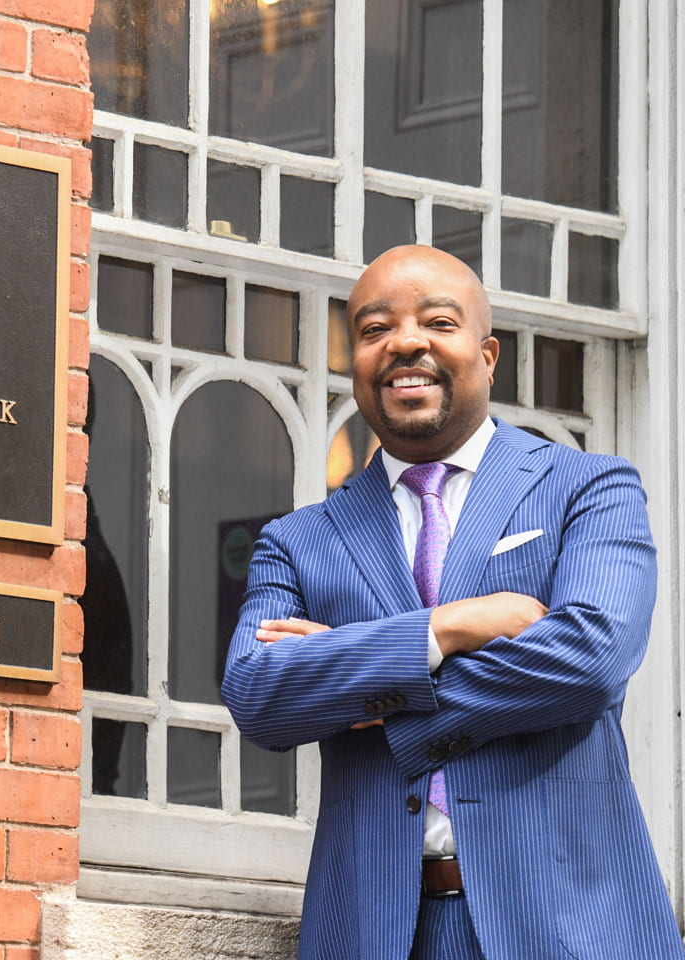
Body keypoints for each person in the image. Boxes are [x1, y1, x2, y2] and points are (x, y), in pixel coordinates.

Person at [221, 245, 685, 959]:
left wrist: (366, 689)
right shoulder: (299, 542)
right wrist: (449, 627)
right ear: (356, 361)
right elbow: (258, 694)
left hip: (571, 926)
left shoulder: (588, 489)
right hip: (376, 934)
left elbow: (592, 657)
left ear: (488, 354)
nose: (406, 342)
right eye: (375, 330)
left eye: (437, 321)